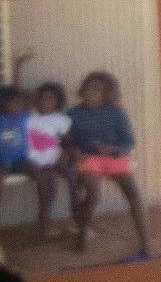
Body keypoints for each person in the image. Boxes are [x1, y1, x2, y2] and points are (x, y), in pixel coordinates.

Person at [61, 71, 148, 261]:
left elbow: (129, 141)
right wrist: (73, 151)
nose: (90, 92)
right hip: (88, 157)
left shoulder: (116, 112)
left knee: (133, 192)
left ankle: (145, 243)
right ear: (82, 89)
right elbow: (65, 142)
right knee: (93, 194)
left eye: (97, 89)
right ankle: (82, 234)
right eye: (87, 87)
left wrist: (114, 149)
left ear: (107, 93)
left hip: (114, 157)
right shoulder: (73, 114)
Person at [20, 82, 68, 231]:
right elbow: (21, 95)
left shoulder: (60, 119)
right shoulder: (29, 115)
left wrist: (64, 154)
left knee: (51, 183)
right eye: (43, 97)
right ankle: (45, 222)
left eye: (51, 98)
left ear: (58, 102)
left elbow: (68, 141)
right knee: (43, 179)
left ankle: (45, 217)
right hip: (28, 160)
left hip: (50, 161)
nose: (46, 100)